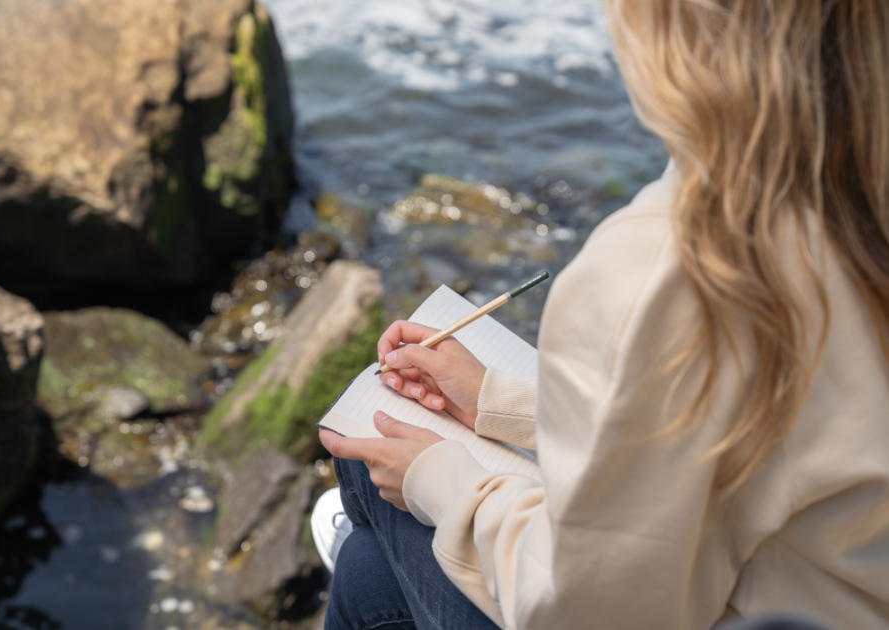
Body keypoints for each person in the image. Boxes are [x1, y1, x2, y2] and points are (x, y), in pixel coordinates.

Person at [318, 0, 889, 628]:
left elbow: (588, 609)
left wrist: (440, 479)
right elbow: (726, 433)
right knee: (369, 574)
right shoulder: (855, 196)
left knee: (369, 489)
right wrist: (498, 403)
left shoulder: (673, 261)